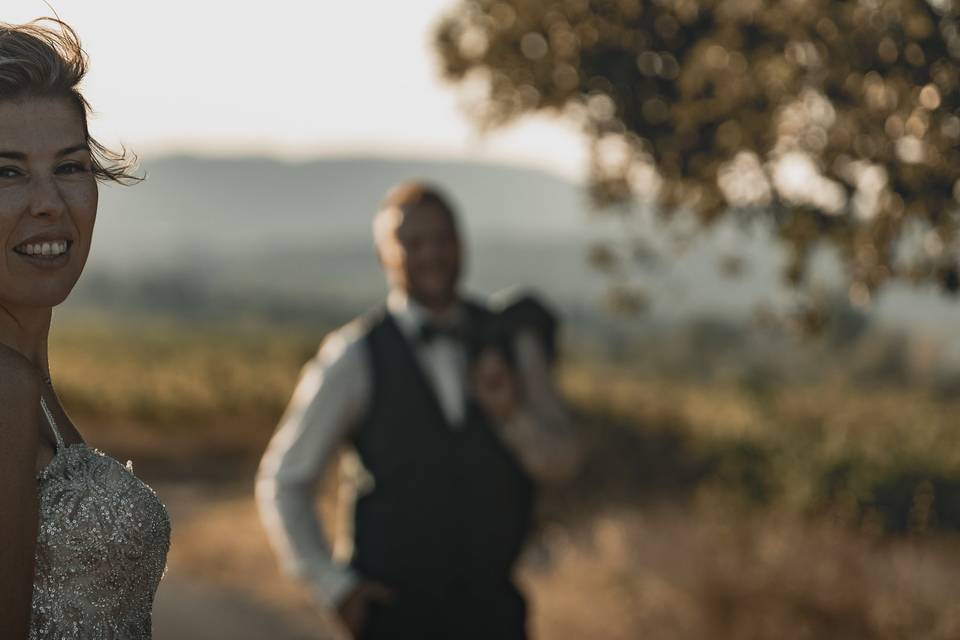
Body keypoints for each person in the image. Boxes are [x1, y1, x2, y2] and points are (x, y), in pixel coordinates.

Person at [256, 182, 580, 640]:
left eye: (442, 239)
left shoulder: (511, 343)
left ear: (461, 245)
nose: (431, 254)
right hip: (395, 621)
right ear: (384, 254)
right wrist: (335, 590)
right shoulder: (354, 355)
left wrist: (509, 415)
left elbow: (562, 461)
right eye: (413, 243)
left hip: (497, 619)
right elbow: (285, 481)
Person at [0, 19, 170, 639]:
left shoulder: (25, 377)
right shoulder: (4, 388)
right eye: (7, 172)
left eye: (70, 168)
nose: (49, 202)